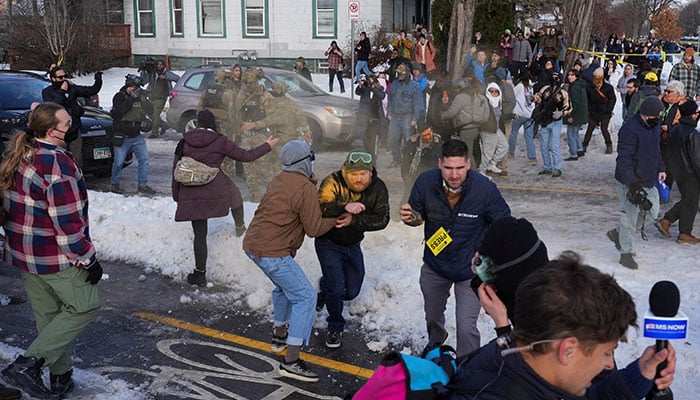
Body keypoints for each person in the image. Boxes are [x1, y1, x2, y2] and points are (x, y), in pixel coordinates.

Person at [449, 252, 677, 399]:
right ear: (567, 349)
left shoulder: (513, 357)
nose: (609, 365)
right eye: (607, 353)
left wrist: (640, 375)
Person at [0, 103, 102, 399]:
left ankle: (61, 378)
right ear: (50, 131)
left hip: (23, 253)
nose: (72, 127)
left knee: (50, 318)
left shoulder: (22, 153)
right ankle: (27, 365)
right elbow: (68, 222)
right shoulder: (57, 164)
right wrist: (87, 258)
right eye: (67, 124)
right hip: (53, 256)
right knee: (84, 305)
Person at [399, 139, 511, 357]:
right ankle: (436, 340)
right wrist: (410, 217)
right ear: (440, 163)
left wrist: (489, 260)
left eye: (459, 167)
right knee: (432, 316)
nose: (454, 175)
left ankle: (467, 366)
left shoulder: (484, 189)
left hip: (468, 269)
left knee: (466, 326)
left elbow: (504, 225)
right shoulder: (425, 181)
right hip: (435, 264)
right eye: (449, 168)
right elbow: (416, 214)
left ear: (468, 164)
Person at [242, 140, 343, 383]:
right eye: (311, 157)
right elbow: (314, 228)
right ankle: (292, 360)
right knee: (306, 296)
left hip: (252, 245)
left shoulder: (280, 179)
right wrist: (336, 219)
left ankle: (279, 336)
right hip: (272, 251)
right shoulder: (304, 187)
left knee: (284, 288)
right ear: (305, 161)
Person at [174, 109, 279, 287]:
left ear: (198, 123)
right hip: (213, 184)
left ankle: (200, 274)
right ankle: (240, 227)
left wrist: (177, 195)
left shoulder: (184, 140)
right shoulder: (219, 140)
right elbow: (246, 156)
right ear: (213, 124)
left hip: (190, 188)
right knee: (234, 194)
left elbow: (175, 167)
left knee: (200, 234)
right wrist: (267, 146)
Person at [315, 151, 390, 348]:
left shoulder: (378, 188)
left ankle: (325, 288)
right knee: (338, 287)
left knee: (351, 291)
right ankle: (335, 326)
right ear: (345, 172)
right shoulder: (332, 181)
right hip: (328, 242)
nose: (358, 178)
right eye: (353, 174)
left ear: (370, 174)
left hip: (353, 244)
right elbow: (320, 206)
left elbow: (383, 219)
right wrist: (345, 207)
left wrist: (354, 220)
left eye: (362, 174)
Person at [607, 97, 666, 269]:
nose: (659, 119)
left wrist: (661, 168)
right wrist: (632, 183)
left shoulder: (653, 127)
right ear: (646, 115)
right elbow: (623, 159)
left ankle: (618, 234)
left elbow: (656, 150)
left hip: (648, 179)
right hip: (630, 181)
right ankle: (625, 253)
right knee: (629, 218)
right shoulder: (629, 130)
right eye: (657, 115)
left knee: (652, 212)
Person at [655, 100, 700, 244]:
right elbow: (696, 158)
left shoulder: (675, 129)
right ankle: (681, 231)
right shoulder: (692, 134)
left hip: (678, 170)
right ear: (693, 115)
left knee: (688, 200)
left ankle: (669, 222)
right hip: (690, 173)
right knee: (690, 202)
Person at [41, 65, 102, 169]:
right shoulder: (47, 92)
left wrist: (98, 79)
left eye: (65, 76)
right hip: (58, 131)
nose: (64, 79)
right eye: (60, 77)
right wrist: (62, 92)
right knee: (59, 159)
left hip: (73, 129)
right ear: (53, 79)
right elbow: (54, 106)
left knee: (76, 159)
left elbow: (91, 90)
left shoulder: (72, 88)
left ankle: (77, 180)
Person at [109, 74, 155, 195]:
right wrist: (132, 98)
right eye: (132, 88)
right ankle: (115, 184)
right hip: (122, 135)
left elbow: (151, 111)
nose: (134, 90)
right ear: (127, 86)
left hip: (137, 135)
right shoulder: (119, 97)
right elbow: (121, 110)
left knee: (144, 160)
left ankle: (142, 185)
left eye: (136, 88)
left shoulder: (140, 97)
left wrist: (145, 99)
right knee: (119, 163)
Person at [235, 68, 275, 202]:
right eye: (245, 83)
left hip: (261, 136)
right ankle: (255, 197)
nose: (248, 86)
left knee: (264, 170)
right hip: (246, 137)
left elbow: (273, 118)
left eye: (251, 83)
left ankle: (272, 197)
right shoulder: (242, 95)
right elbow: (236, 113)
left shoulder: (265, 97)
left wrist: (256, 124)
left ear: (256, 82)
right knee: (249, 170)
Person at [198, 67, 238, 179]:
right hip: (224, 128)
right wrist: (235, 131)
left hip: (208, 128)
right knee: (226, 157)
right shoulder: (229, 93)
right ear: (226, 79)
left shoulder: (207, 90)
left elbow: (200, 108)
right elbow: (232, 114)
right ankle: (226, 180)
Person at [532, 71, 570, 177]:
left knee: (554, 146)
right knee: (544, 146)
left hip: (556, 122)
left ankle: (557, 168)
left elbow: (568, 106)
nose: (554, 79)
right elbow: (539, 97)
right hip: (545, 120)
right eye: (552, 77)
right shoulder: (545, 89)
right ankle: (547, 167)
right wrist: (533, 98)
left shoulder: (563, 93)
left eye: (556, 77)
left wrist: (562, 113)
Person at [386, 63, 422, 168]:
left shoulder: (414, 86)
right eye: (398, 73)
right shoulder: (394, 83)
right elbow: (390, 99)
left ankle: (408, 160)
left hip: (407, 117)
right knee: (393, 139)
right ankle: (396, 159)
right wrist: (389, 112)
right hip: (395, 117)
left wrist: (415, 118)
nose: (399, 76)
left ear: (406, 74)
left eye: (401, 74)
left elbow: (417, 103)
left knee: (408, 141)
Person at [440, 78, 480, 168]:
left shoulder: (461, 97)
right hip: (475, 126)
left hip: (467, 128)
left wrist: (442, 115)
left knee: (467, 153)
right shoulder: (472, 94)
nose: (455, 90)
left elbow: (452, 112)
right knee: (472, 151)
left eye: (456, 88)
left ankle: (474, 174)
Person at [401, 128, 443, 203]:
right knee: (409, 193)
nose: (427, 137)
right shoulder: (412, 143)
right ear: (420, 135)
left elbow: (440, 162)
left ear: (432, 132)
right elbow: (405, 163)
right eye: (424, 135)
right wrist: (407, 177)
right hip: (413, 173)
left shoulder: (438, 144)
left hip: (431, 174)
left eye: (428, 134)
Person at [659, 80, 686, 193]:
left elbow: (685, 124)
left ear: (677, 93)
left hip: (673, 140)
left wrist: (669, 128)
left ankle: (666, 189)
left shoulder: (683, 106)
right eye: (665, 90)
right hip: (661, 139)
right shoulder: (663, 102)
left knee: (669, 166)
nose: (666, 93)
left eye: (668, 91)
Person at [582, 67, 616, 155]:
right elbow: (587, 99)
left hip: (605, 112)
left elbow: (612, 99)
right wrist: (589, 109)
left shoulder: (608, 87)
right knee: (590, 129)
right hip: (594, 111)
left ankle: (609, 145)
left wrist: (609, 109)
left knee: (604, 129)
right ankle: (584, 145)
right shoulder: (590, 87)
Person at [478, 82, 508, 175]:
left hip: (496, 128)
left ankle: (492, 164)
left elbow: (501, 115)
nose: (494, 93)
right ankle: (482, 171)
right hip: (488, 128)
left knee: (504, 146)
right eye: (492, 91)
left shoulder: (499, 102)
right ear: (488, 91)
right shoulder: (485, 101)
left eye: (496, 91)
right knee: (488, 152)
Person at [145, 59, 180, 138]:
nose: (159, 66)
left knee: (156, 115)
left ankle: (154, 133)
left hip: (161, 98)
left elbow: (177, 78)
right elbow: (144, 81)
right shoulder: (153, 73)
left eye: (161, 64)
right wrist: (144, 72)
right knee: (150, 114)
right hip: (151, 97)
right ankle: (164, 125)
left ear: (164, 65)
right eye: (158, 64)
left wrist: (166, 77)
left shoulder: (166, 73)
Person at [509, 71, 537, 165]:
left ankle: (511, 152)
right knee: (529, 136)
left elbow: (511, 96)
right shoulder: (530, 88)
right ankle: (532, 157)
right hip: (529, 114)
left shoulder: (520, 86)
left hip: (520, 114)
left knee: (513, 133)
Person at [355, 74, 385, 158]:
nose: (369, 82)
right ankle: (366, 153)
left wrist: (373, 88)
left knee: (373, 137)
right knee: (365, 136)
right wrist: (361, 85)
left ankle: (373, 156)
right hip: (365, 115)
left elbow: (382, 95)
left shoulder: (379, 88)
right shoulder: (365, 89)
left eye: (371, 80)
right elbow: (357, 92)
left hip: (375, 117)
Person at [563, 69, 589, 160]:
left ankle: (573, 154)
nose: (570, 77)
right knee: (576, 133)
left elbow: (574, 103)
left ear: (576, 76)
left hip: (576, 115)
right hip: (581, 114)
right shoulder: (580, 85)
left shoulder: (574, 87)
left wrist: (570, 116)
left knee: (571, 134)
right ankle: (579, 149)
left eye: (572, 75)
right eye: (569, 75)